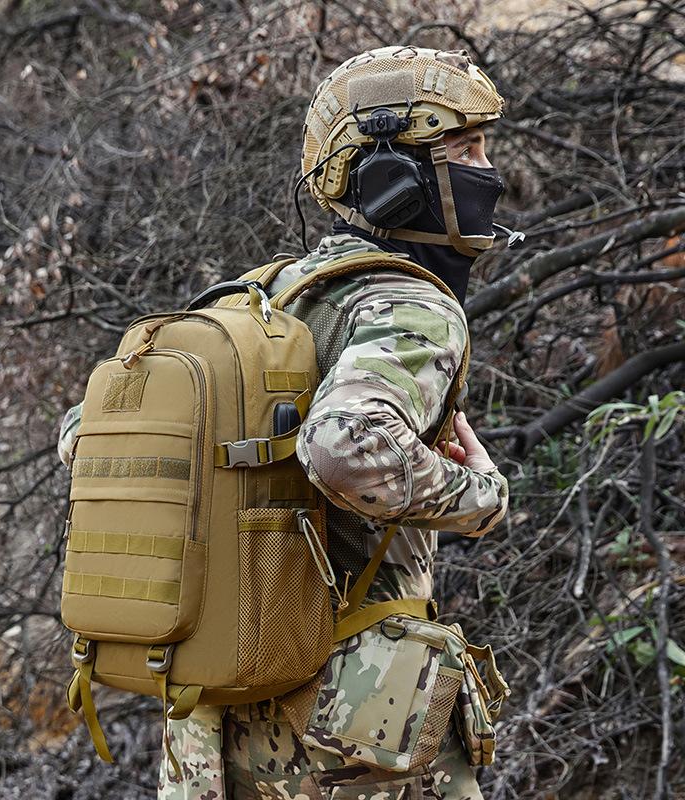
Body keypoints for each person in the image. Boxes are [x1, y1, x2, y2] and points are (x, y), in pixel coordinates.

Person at [58, 45, 510, 800]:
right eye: (464, 149)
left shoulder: (251, 300)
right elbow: (340, 448)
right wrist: (479, 495)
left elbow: (83, 434)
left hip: (210, 719)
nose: (489, 171)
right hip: (351, 721)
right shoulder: (410, 304)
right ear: (392, 179)